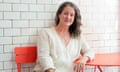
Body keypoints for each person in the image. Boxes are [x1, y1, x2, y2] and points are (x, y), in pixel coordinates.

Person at [33, 1, 94, 72]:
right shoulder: (46, 33)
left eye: (72, 15)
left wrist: (84, 58)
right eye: (65, 13)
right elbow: (44, 57)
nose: (68, 17)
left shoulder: (77, 35)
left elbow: (90, 51)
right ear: (59, 14)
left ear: (74, 18)